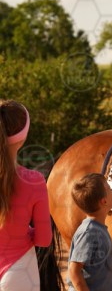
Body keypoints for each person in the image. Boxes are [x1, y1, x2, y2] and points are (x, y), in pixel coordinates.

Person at [0, 99, 52, 291]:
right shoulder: (34, 181)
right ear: (22, 138)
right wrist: (24, 229)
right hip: (17, 273)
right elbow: (43, 239)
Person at [67, 173, 112, 291]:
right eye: (109, 188)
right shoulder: (89, 232)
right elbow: (74, 270)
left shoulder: (97, 228)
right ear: (104, 201)